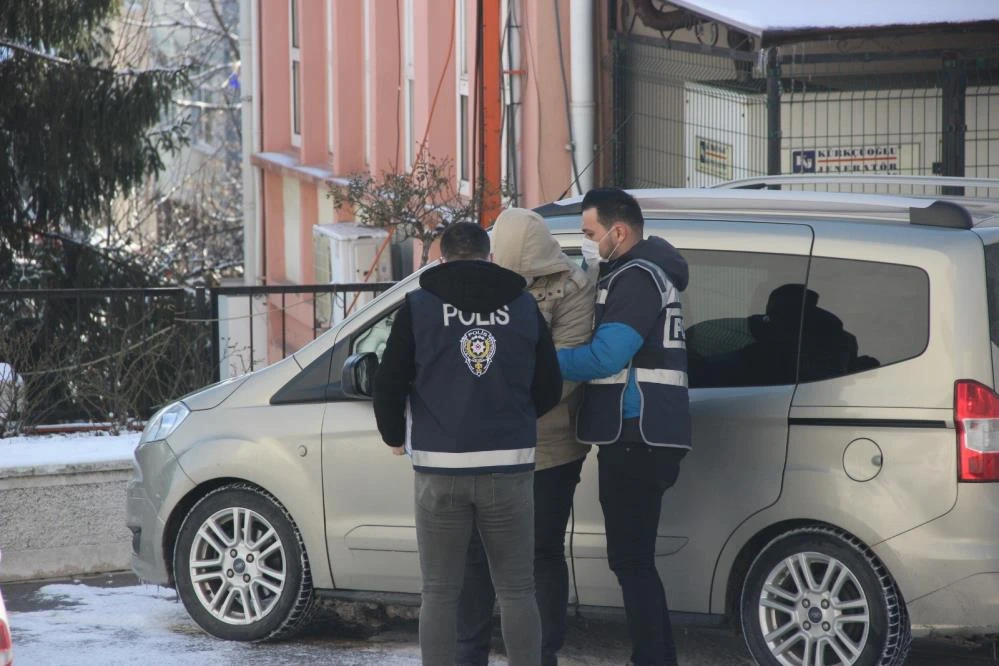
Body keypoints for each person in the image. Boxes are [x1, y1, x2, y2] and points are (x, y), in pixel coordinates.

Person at [372, 221, 563, 666]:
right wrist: (513, 419)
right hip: (508, 467)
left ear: (442, 258)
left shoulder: (418, 306)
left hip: (440, 469)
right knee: (517, 589)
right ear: (489, 257)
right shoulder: (522, 306)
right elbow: (549, 386)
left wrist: (394, 437)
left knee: (439, 590)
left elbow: (388, 382)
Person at [557, 188, 691, 666]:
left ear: (619, 231)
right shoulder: (644, 272)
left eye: (590, 233)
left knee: (632, 562)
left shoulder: (636, 278)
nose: (586, 243)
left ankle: (653, 660)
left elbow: (606, 356)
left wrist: (537, 361)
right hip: (645, 435)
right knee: (635, 562)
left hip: (637, 433)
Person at [456, 208, 595, 666]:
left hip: (550, 446)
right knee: (474, 554)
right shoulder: (486, 280)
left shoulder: (573, 288)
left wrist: (495, 393)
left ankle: (541, 654)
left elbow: (562, 375)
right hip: (487, 444)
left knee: (540, 553)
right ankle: (470, 651)